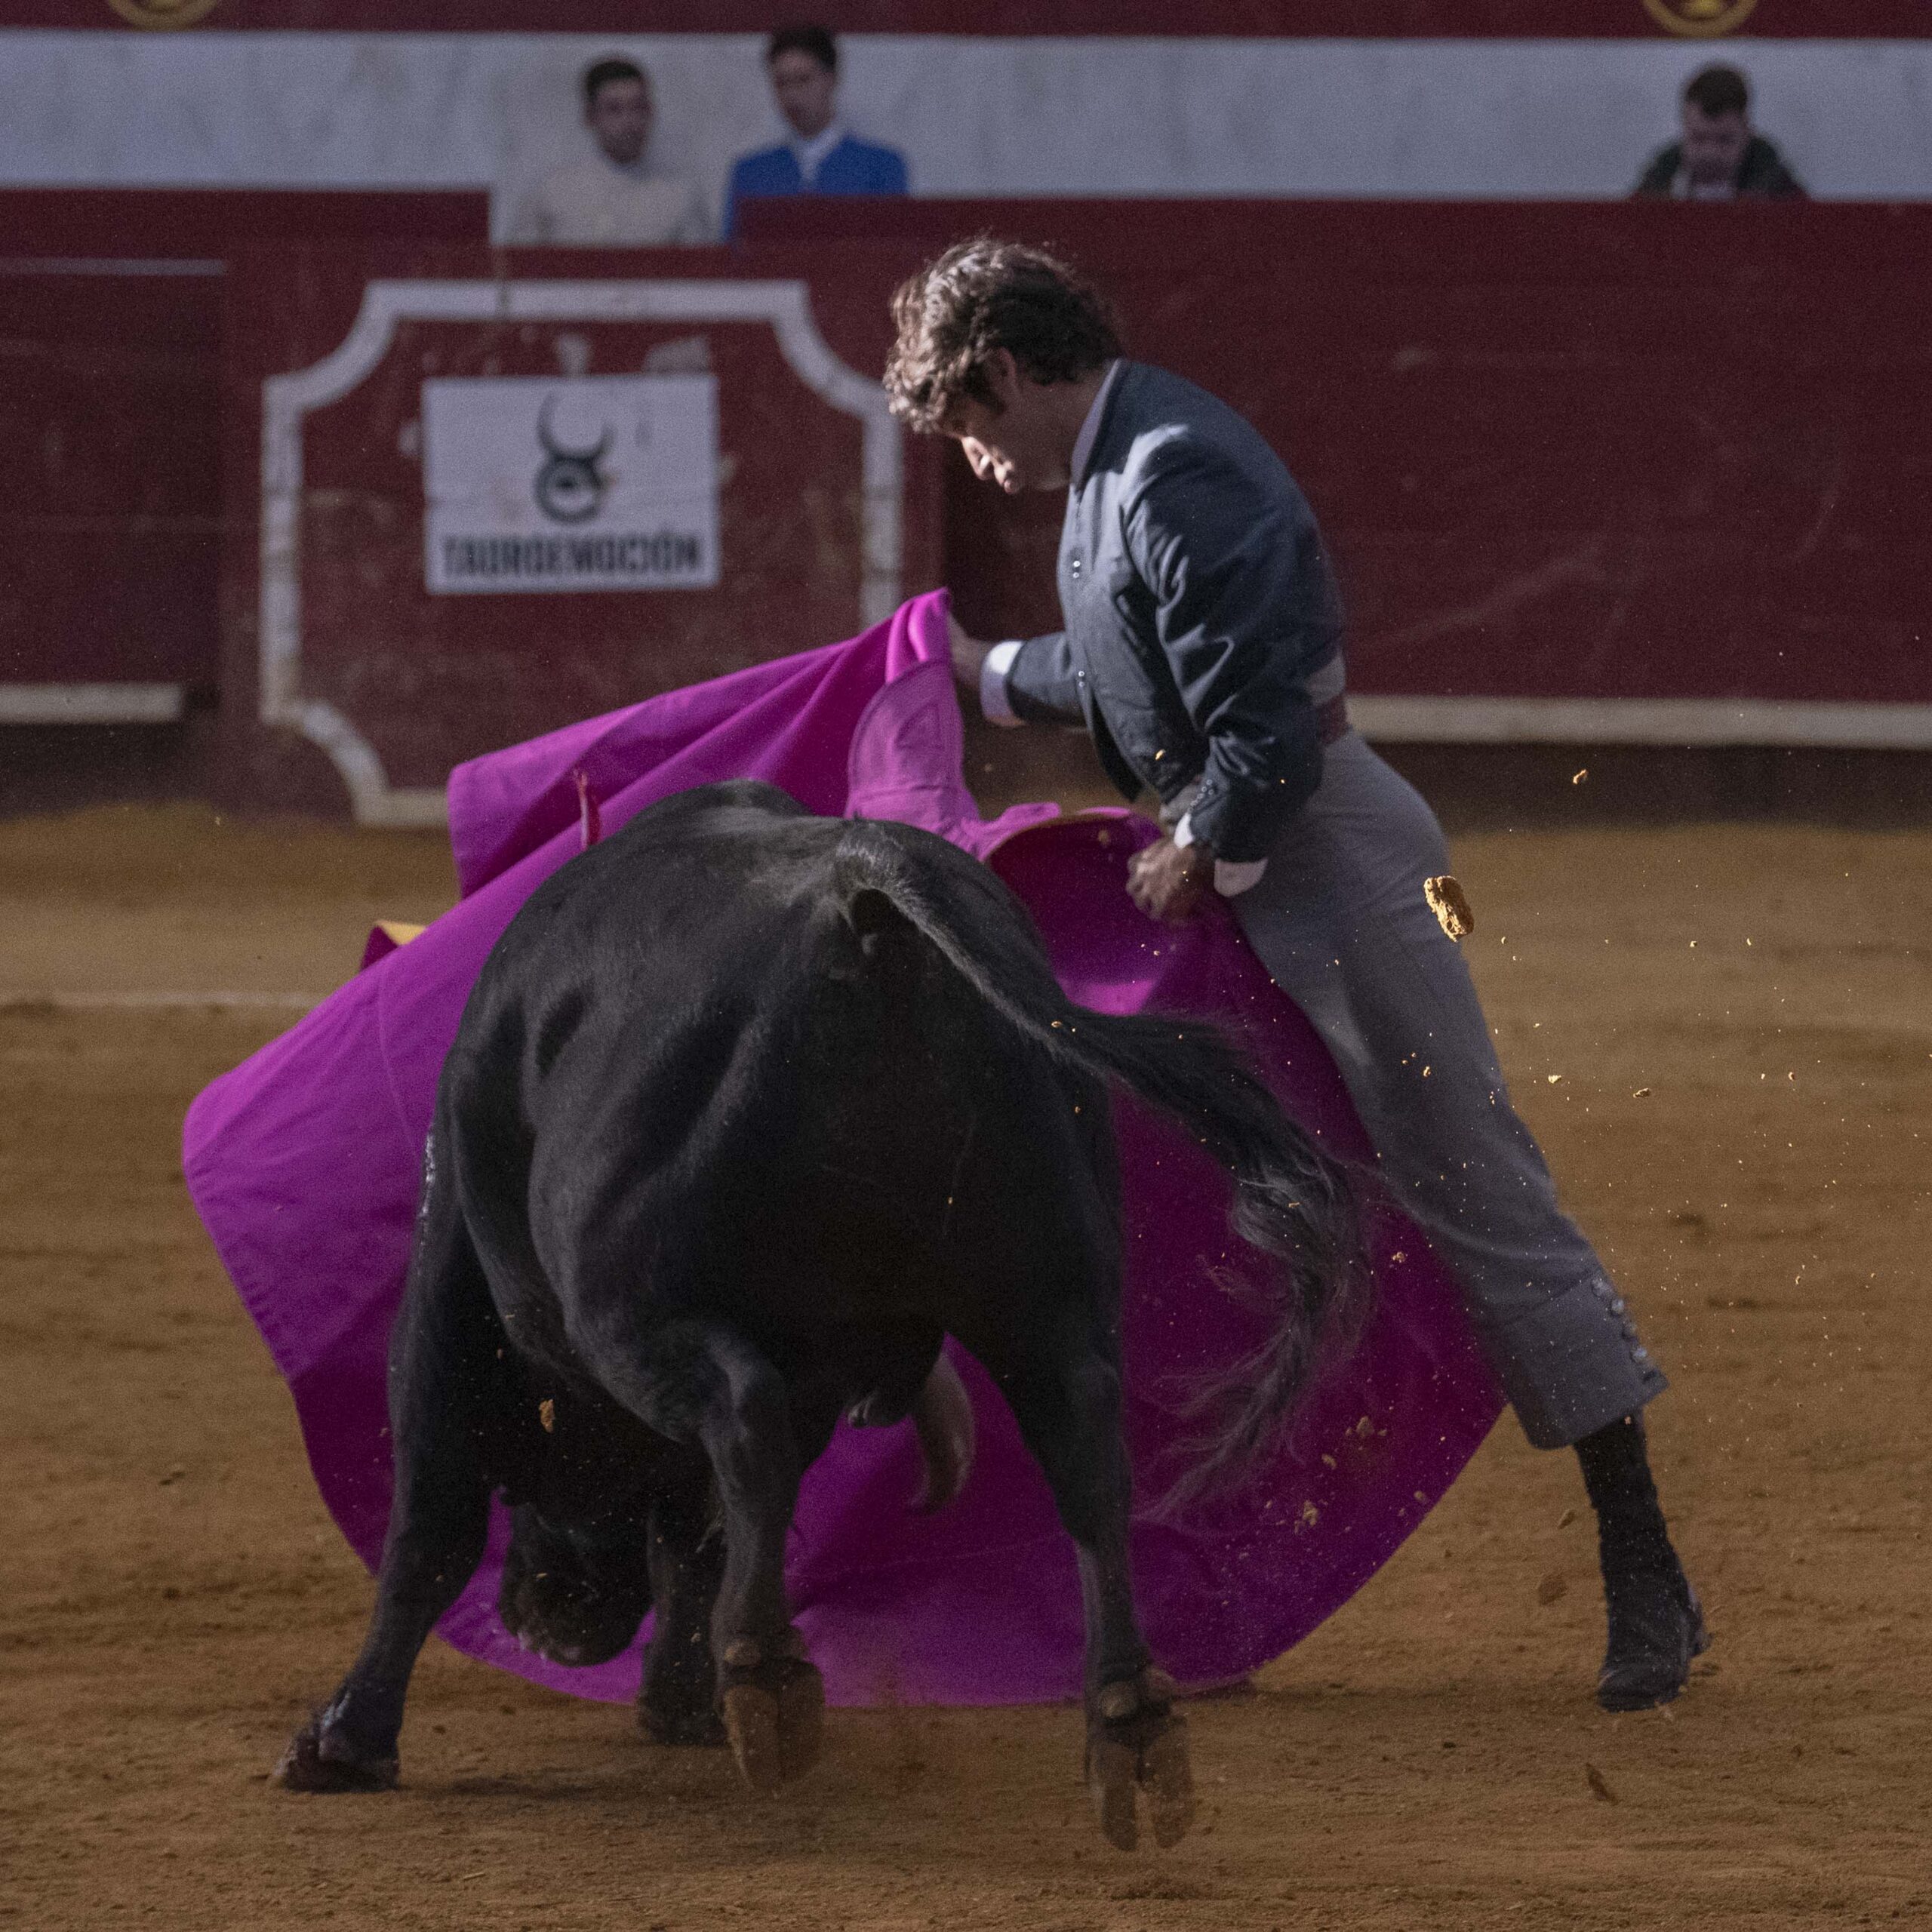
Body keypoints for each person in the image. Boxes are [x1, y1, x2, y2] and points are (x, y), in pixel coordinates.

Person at [884, 239, 1709, 1713]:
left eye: (965, 420)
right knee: (1198, 1202)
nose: (974, 457)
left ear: (1006, 369)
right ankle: (1206, 1578)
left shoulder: (1169, 468)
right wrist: (976, 669)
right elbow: (1123, 666)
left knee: (1471, 1180)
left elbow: (1260, 726)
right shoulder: (1113, 474)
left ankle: (1645, 1565)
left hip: (1339, 868)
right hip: (1262, 865)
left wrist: (1197, 836)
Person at [723, 25, 909, 241]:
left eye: (803, 80)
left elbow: (894, 251)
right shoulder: (750, 173)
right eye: (782, 83)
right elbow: (732, 261)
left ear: (831, 80)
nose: (792, 95)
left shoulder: (881, 167)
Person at [507, 57, 709, 247]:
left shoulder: (680, 197)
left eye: (638, 107)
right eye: (615, 109)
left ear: (650, 111)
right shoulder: (551, 194)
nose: (629, 122)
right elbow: (519, 274)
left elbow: (705, 278)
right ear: (590, 116)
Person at [1634, 64, 1804, 201]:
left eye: (1725, 140)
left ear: (1746, 132)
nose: (1710, 153)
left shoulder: (1778, 190)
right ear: (1684, 126)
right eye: (1698, 139)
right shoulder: (1656, 185)